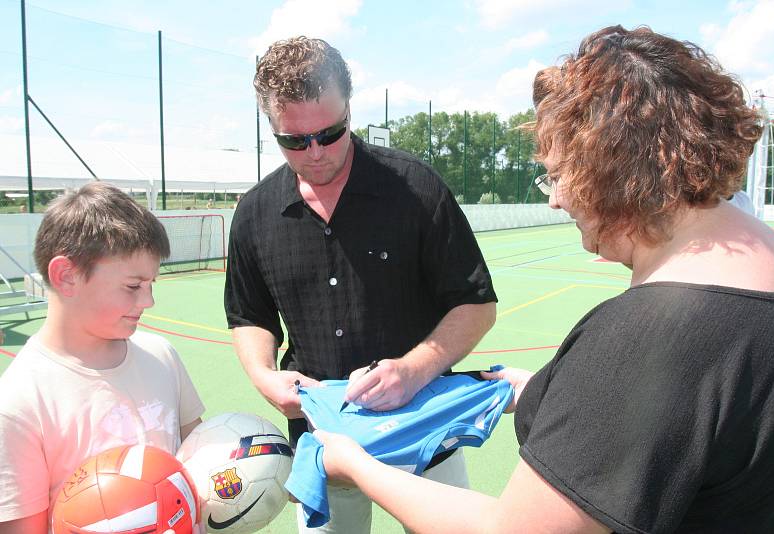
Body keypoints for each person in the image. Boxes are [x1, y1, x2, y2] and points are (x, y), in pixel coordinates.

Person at [314, 25, 774, 533]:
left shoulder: (647, 335)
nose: (555, 198)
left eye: (560, 174)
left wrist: (355, 464)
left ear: (610, 170)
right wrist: (546, 393)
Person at [224, 36, 497, 533]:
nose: (315, 152)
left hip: (425, 427)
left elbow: (476, 304)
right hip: (325, 441)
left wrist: (414, 370)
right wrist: (265, 377)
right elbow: (250, 316)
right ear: (271, 129)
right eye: (294, 140)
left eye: (330, 133)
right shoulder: (254, 213)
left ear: (350, 109)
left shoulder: (416, 188)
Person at [0, 182, 205, 534]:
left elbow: (199, 459)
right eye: (133, 286)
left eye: (151, 284)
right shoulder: (19, 402)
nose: (148, 301)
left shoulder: (161, 355)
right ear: (67, 276)